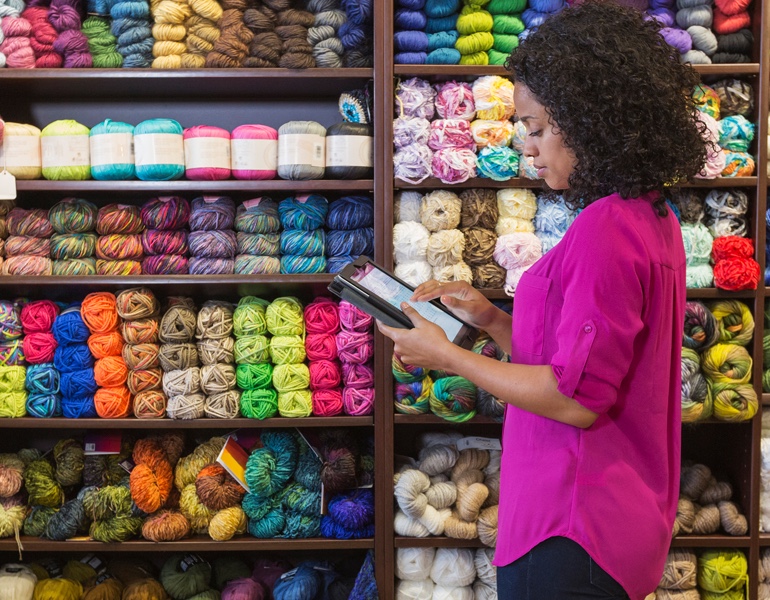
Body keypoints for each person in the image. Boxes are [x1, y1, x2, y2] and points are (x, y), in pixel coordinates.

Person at [378, 2, 710, 599]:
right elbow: (587, 357)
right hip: (607, 514)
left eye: (535, 127)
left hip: (574, 526)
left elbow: (575, 398)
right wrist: (488, 320)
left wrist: (447, 357)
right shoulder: (647, 211)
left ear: (587, 120)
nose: (526, 148)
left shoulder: (606, 228)